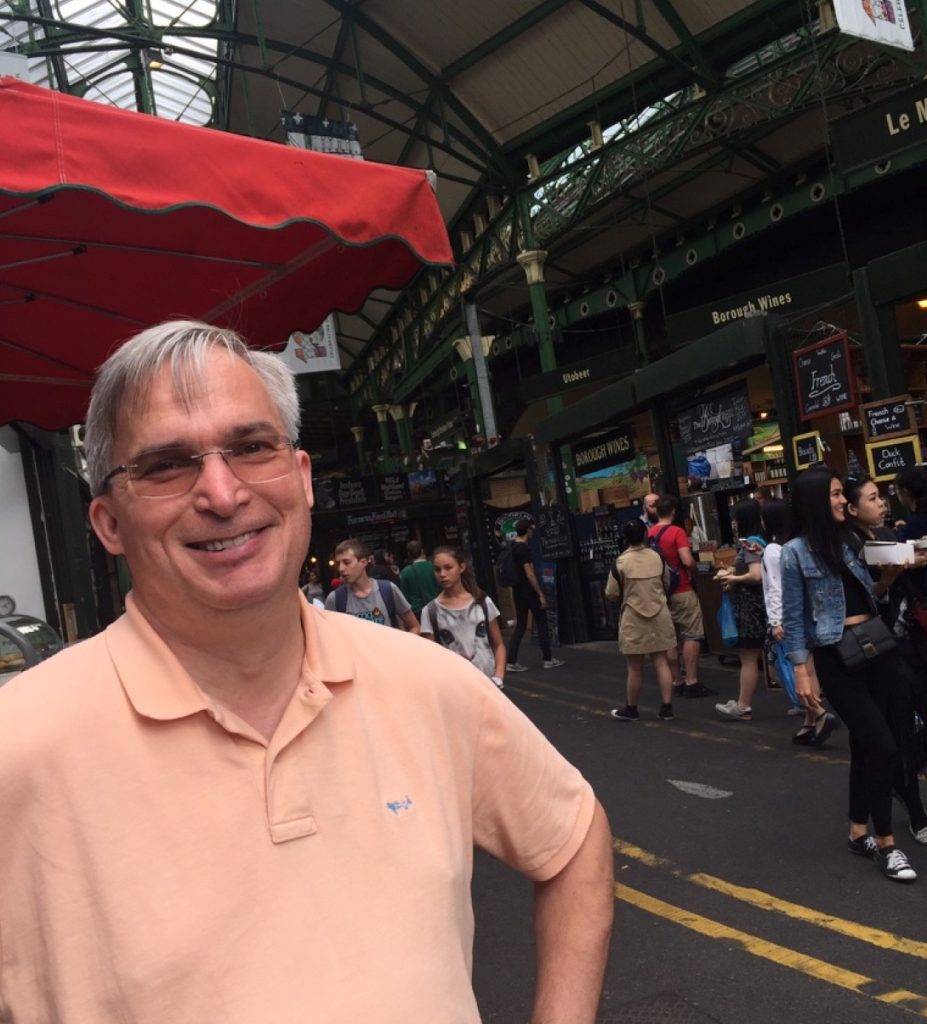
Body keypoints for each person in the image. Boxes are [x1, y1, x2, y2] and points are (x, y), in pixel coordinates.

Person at [0, 320, 615, 1020]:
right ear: (108, 523)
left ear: (300, 478)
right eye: (167, 465)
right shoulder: (20, 747)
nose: (223, 493)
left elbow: (571, 838)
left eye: (252, 447)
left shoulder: (427, 683)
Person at [781, 469, 917, 882]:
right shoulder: (794, 552)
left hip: (875, 648)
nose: (844, 501)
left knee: (866, 744)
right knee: (883, 745)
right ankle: (887, 844)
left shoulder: (848, 541)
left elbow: (869, 596)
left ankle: (858, 831)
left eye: (843, 494)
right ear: (815, 501)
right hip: (835, 656)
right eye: (837, 495)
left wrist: (890, 578)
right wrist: (802, 671)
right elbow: (793, 616)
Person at [844, 474, 927, 845]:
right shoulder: (847, 548)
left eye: (883, 496)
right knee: (897, 732)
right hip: (881, 649)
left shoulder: (891, 537)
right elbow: (864, 602)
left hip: (912, 640)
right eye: (874, 498)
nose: (882, 504)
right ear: (851, 507)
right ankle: (911, 808)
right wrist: (888, 580)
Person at [761, 499, 834, 744]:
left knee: (795, 669)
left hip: (786, 617)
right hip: (806, 613)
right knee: (809, 668)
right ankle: (809, 723)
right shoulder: (798, 545)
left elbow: (775, 586)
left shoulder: (773, 550)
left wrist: (775, 620)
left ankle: (818, 713)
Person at [606, 518, 677, 722]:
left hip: (633, 616)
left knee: (634, 667)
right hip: (659, 614)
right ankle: (667, 708)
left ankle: (631, 709)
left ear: (625, 538)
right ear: (645, 535)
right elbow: (667, 582)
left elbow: (611, 593)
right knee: (661, 662)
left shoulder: (620, 562)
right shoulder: (657, 558)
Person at [648, 494, 713, 699]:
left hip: (660, 594)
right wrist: (695, 572)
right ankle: (692, 680)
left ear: (656, 511)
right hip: (682, 589)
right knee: (692, 634)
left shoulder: (648, 534)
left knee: (670, 639)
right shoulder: (676, 532)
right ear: (673, 512)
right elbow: (686, 560)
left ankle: (677, 680)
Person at [715, 499, 770, 723]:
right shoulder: (758, 541)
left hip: (751, 607)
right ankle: (804, 702)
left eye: (735, 519)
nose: (734, 523)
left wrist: (733, 578)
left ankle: (743, 706)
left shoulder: (750, 544)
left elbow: (756, 575)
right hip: (756, 605)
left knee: (748, 657)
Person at [420, 546, 506, 688]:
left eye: (448, 568)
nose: (442, 574)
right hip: (456, 688)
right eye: (437, 569)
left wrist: (498, 675)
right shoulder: (430, 611)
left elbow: (498, 644)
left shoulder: (482, 602)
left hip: (489, 684)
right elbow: (432, 657)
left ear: (461, 567)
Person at [505, 518, 564, 672]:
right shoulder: (524, 549)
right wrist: (540, 594)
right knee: (542, 622)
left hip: (518, 591)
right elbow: (530, 574)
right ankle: (548, 658)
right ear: (528, 530)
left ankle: (511, 661)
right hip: (529, 591)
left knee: (521, 626)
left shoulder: (512, 547)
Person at [326, 538, 420, 632]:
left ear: (363, 562)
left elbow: (414, 626)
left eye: (347, 562)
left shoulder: (387, 589)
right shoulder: (335, 599)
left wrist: (401, 646)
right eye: (338, 564)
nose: (341, 568)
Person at [399, 538, 441, 618]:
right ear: (422, 551)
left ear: (409, 554)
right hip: (438, 607)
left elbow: (404, 597)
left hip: (418, 611)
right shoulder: (435, 567)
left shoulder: (405, 572)